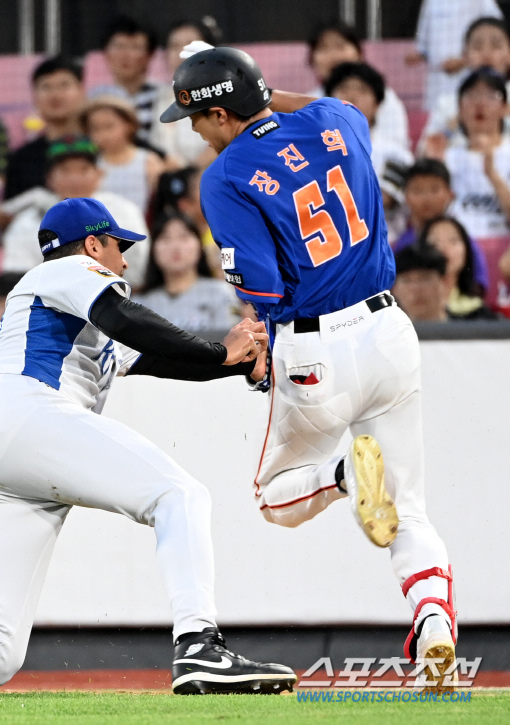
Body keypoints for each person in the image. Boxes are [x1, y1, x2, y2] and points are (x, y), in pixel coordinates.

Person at [0, 196, 297, 699]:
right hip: (26, 416)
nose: (124, 260)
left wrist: (235, 361)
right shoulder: (70, 271)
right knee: (179, 496)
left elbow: (160, 355)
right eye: (119, 247)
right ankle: (201, 646)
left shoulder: (72, 308)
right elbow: (129, 320)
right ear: (93, 245)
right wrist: (221, 352)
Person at [161, 46, 457, 691]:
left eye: (195, 118)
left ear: (216, 113)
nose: (194, 132)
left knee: (275, 495)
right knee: (409, 508)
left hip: (317, 346)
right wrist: (245, 89)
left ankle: (348, 473)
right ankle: (432, 616)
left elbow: (262, 289)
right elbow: (297, 105)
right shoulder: (340, 121)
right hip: (389, 330)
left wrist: (259, 345)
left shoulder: (224, 176)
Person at [0, 136, 149, 287]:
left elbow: (138, 271)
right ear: (49, 179)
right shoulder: (29, 221)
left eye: (84, 170)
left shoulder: (123, 211)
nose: (75, 179)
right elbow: (17, 277)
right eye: (65, 171)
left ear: (99, 175)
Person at [323, 62, 413, 241]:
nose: (352, 96)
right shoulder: (311, 150)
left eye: (363, 90)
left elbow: (384, 200)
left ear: (377, 104)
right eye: (343, 88)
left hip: (379, 246)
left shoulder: (397, 154)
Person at [307, 22, 410, 150]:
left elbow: (397, 148)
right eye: (324, 48)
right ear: (312, 60)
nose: (333, 55)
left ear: (359, 53)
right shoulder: (308, 102)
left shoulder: (385, 97)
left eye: (340, 46)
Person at [393, 159, 489, 294]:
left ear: (450, 195)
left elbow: (477, 287)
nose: (426, 198)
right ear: (405, 196)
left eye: (434, 189)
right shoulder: (402, 245)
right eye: (417, 190)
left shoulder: (464, 242)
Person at [419, 17, 510, 155]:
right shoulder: (447, 104)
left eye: (496, 46)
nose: (486, 54)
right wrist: (454, 124)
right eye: (477, 47)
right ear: (465, 56)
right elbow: (424, 153)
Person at [133, 213, 239, 331]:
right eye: (166, 238)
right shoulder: (140, 303)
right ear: (153, 249)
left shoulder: (220, 294)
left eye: (184, 237)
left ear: (199, 245)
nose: (175, 246)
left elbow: (231, 341)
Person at [4, 56, 86, 201]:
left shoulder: (100, 147)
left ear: (81, 91)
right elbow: (9, 212)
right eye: (46, 87)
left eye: (64, 85)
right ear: (34, 97)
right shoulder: (22, 159)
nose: (55, 95)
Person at [444, 68, 510, 239]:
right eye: (471, 96)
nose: (480, 104)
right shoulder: (447, 157)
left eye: (490, 96)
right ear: (459, 109)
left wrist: (492, 174)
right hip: (459, 246)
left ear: (505, 108)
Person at [406, 0, 503, 111]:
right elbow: (424, 43)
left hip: (469, 79)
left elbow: (497, 31)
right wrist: (418, 56)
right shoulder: (430, 2)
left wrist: (464, 61)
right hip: (437, 83)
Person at [82, 96, 165, 214]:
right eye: (95, 129)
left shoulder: (148, 161)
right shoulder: (91, 165)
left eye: (109, 126)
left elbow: (158, 202)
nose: (103, 134)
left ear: (129, 125)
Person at [89, 17, 161, 146]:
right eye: (119, 46)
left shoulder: (163, 96)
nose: (125, 55)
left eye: (135, 47)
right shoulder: (95, 99)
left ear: (149, 56)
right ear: (106, 53)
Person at [154, 20, 218, 165]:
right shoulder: (160, 96)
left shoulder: (223, 93)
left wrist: (191, 174)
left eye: (191, 45)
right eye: (174, 46)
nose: (182, 52)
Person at [419, 215, 497, 319]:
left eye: (453, 240)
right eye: (435, 241)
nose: (443, 248)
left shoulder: (479, 313)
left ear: (467, 252)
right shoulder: (406, 308)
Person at [392, 243, 451, 321]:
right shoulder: (383, 331)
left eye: (424, 278)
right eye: (407, 280)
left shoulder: (468, 328)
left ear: (444, 282)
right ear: (394, 289)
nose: (415, 288)